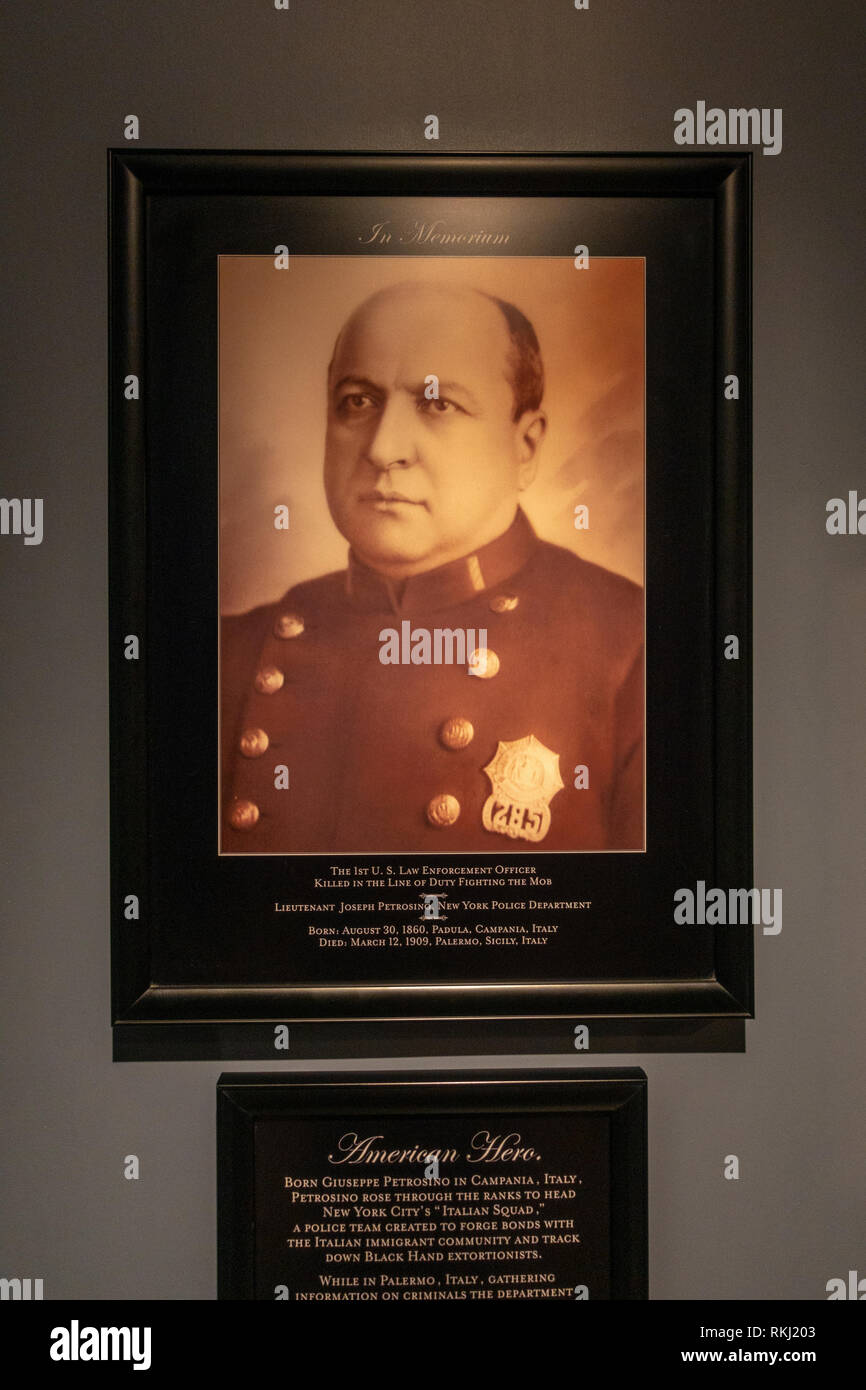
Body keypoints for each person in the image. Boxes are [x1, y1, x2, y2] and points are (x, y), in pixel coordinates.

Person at [221, 281, 643, 853]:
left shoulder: (632, 647)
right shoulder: (232, 654)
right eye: (357, 401)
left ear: (525, 447)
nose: (382, 447)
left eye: (438, 403)